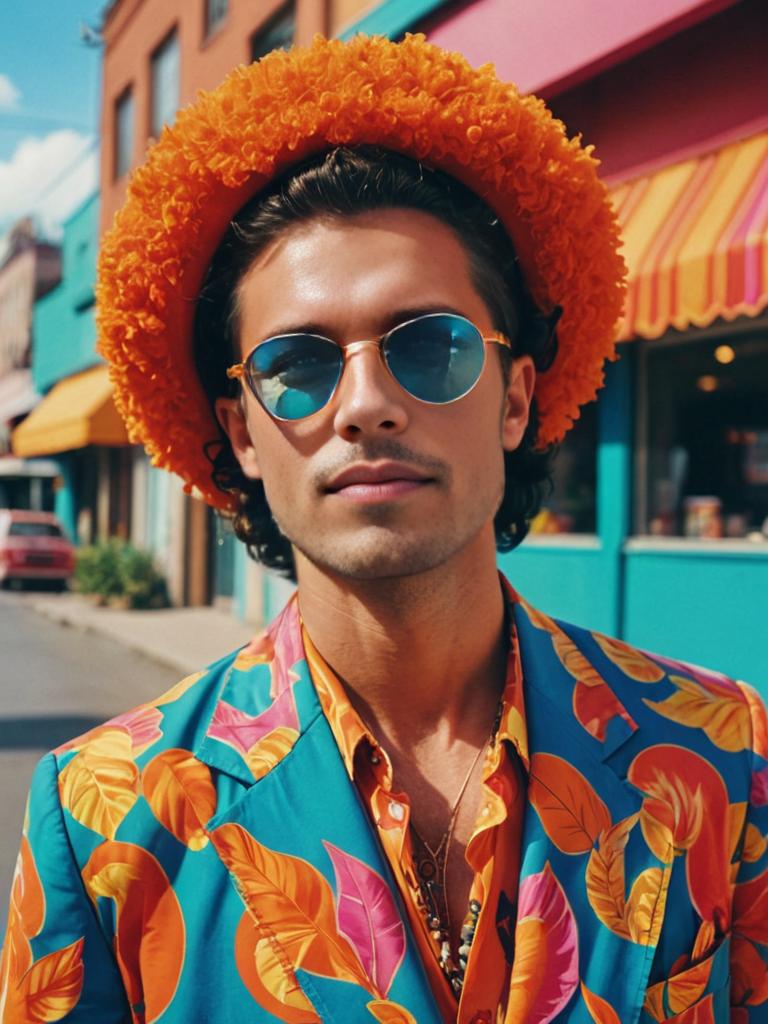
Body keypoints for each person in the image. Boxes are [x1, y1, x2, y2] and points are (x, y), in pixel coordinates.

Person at [1, 34, 766, 1024]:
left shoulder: (722, 757)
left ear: (515, 398)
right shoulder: (104, 817)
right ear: (241, 430)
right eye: (297, 365)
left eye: (431, 344)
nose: (365, 404)